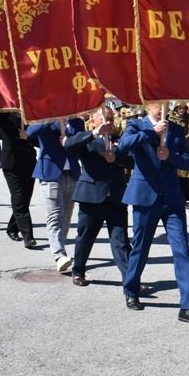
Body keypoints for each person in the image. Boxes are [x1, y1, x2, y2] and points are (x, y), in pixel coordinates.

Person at [118, 102, 189, 323]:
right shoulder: (135, 124)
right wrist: (152, 134)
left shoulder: (177, 129)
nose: (161, 106)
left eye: (165, 102)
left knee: (181, 249)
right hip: (145, 196)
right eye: (156, 101)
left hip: (171, 198)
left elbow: (186, 160)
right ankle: (131, 290)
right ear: (147, 104)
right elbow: (124, 146)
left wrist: (169, 155)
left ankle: (187, 304)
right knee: (140, 247)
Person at [65, 107, 132, 286]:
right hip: (92, 196)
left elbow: (131, 160)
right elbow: (69, 145)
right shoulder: (86, 138)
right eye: (104, 119)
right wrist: (95, 133)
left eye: (110, 119)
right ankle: (78, 270)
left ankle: (130, 279)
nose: (107, 123)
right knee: (85, 237)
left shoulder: (120, 140)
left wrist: (116, 158)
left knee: (121, 241)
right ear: (94, 121)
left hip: (116, 197)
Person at [28, 118, 84, 272]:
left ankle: (61, 246)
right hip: (50, 173)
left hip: (71, 173)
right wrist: (49, 120)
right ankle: (59, 255)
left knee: (66, 215)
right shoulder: (46, 119)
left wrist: (69, 139)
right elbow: (30, 132)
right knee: (54, 215)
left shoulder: (76, 122)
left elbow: (80, 142)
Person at [0, 112, 38, 249]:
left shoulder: (30, 115)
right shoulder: (5, 116)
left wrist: (27, 136)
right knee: (19, 199)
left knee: (25, 200)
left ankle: (12, 228)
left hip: (29, 162)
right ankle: (28, 237)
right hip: (11, 164)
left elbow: (39, 140)